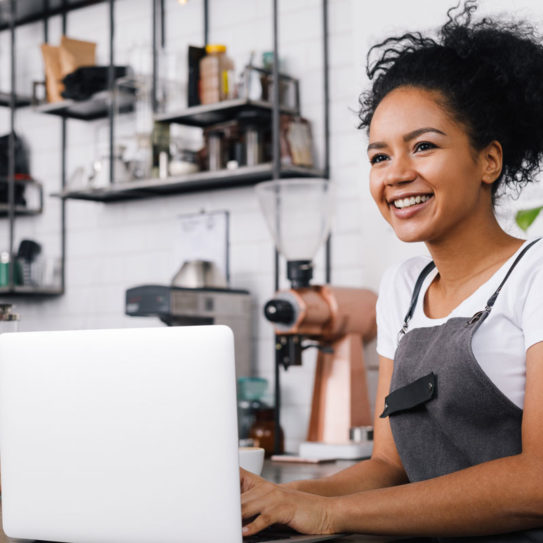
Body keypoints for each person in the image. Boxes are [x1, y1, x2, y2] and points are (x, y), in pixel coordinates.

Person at [240, 1, 543, 541]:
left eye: (423, 146)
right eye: (380, 157)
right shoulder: (403, 287)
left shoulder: (535, 274)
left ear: (488, 161)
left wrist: (329, 514)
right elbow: (389, 467)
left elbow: (537, 482)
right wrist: (282, 499)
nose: (396, 174)